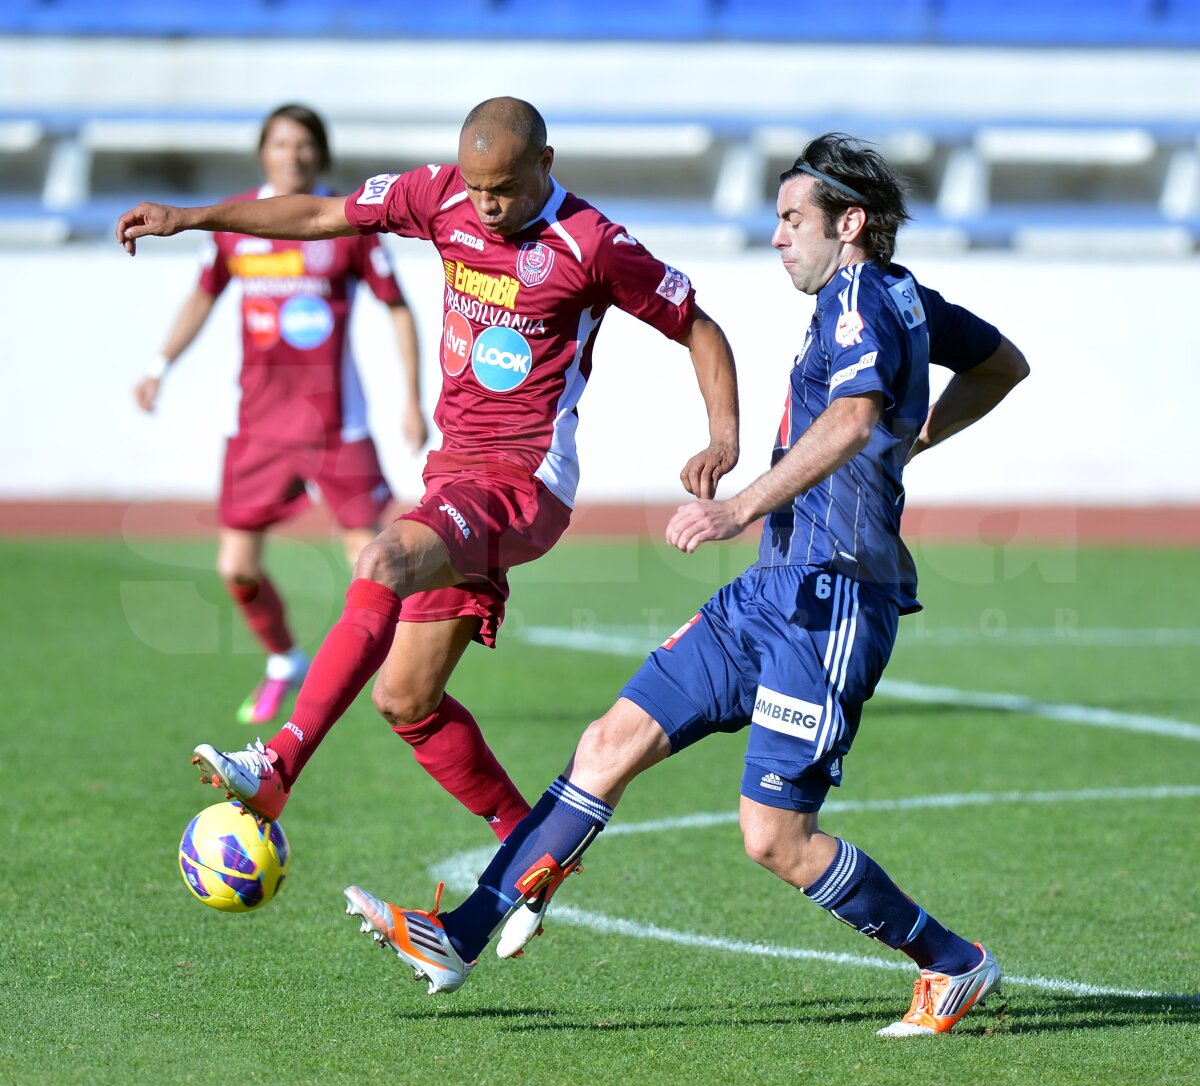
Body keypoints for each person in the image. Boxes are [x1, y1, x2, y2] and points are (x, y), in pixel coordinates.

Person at [338, 133, 1030, 1037]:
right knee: (605, 745)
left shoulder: (863, 292)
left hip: (830, 601)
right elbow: (1001, 363)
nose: (778, 236)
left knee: (774, 837)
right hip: (768, 592)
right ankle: (460, 934)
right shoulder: (899, 298)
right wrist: (919, 437)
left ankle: (951, 962)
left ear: (849, 223)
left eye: (792, 219)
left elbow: (857, 415)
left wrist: (746, 502)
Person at [117, 99, 740, 863]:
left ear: (547, 164)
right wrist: (194, 217)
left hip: (524, 483)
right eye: (477, 188)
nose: (487, 204)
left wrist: (722, 436)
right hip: (451, 479)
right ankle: (532, 849)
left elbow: (697, 327)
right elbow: (319, 215)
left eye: (504, 188)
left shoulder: (592, 242)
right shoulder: (437, 195)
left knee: (378, 559)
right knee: (405, 698)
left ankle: (278, 765)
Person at [133, 103, 426, 725]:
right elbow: (202, 297)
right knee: (236, 568)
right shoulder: (235, 223)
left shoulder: (348, 223)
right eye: (280, 144)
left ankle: (399, 688)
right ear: (264, 152)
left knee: (370, 567)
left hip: (334, 426)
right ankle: (282, 660)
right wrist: (159, 366)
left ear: (318, 154)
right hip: (259, 427)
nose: (291, 155)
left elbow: (398, 307)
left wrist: (410, 398)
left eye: (303, 145)